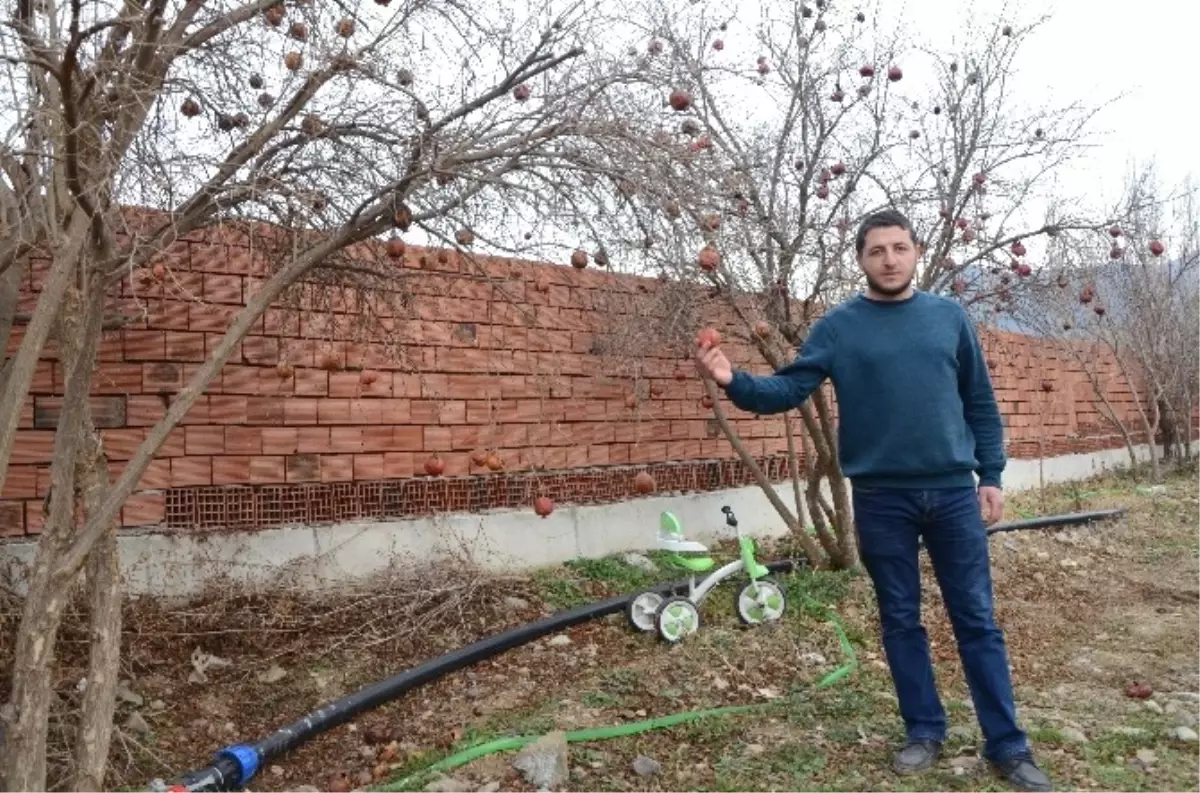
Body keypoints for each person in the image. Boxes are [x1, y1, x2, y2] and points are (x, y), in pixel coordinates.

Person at [693, 209, 1052, 792]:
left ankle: (1008, 745)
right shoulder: (839, 327)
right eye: (877, 250)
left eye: (899, 248)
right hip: (882, 499)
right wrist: (735, 380)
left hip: (953, 495)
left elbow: (980, 404)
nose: (889, 258)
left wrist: (991, 475)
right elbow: (789, 388)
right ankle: (924, 731)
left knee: (977, 620)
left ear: (915, 253)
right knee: (901, 620)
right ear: (860, 259)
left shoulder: (948, 318)